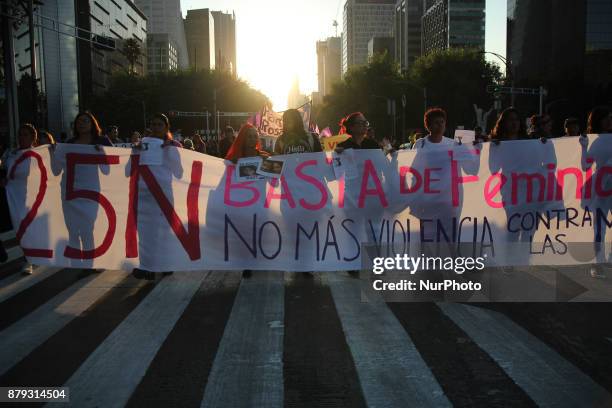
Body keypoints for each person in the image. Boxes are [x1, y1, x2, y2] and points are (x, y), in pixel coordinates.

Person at [132, 113, 181, 281]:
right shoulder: (141, 145)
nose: (156, 128)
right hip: (144, 194)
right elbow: (128, 171)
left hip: (164, 194)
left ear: (166, 127)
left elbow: (179, 173)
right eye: (153, 124)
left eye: (160, 124)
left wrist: (171, 151)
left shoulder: (174, 145)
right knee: (146, 232)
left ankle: (166, 264)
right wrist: (135, 151)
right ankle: (148, 266)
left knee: (164, 231)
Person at [581, 106, 612, 278]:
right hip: (600, 191)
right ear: (597, 120)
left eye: (610, 116)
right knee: (599, 228)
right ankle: (597, 263)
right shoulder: (595, 141)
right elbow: (585, 166)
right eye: (605, 117)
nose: (609, 120)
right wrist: (583, 147)